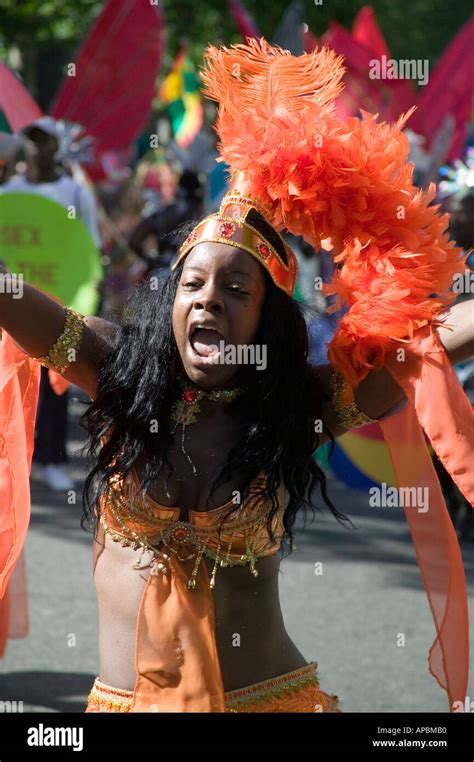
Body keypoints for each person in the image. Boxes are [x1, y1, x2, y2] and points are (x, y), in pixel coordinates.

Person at [0, 39, 472, 713]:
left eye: (235, 289)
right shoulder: (118, 369)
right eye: (194, 283)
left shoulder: (298, 405)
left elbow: (430, 342)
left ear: (265, 323)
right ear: (173, 301)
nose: (209, 299)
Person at [3, 116, 102, 492]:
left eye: (43, 141)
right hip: (13, 303)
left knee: (57, 379)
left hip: (60, 301)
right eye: (30, 140)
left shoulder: (74, 192)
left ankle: (52, 458)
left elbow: (87, 247)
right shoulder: (7, 192)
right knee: (12, 379)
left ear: (55, 147)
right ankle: (16, 460)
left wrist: (85, 294)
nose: (35, 148)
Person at [128, 168, 205, 276]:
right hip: (188, 273)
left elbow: (134, 241)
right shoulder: (200, 215)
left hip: (161, 271)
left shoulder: (163, 212)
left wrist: (150, 260)